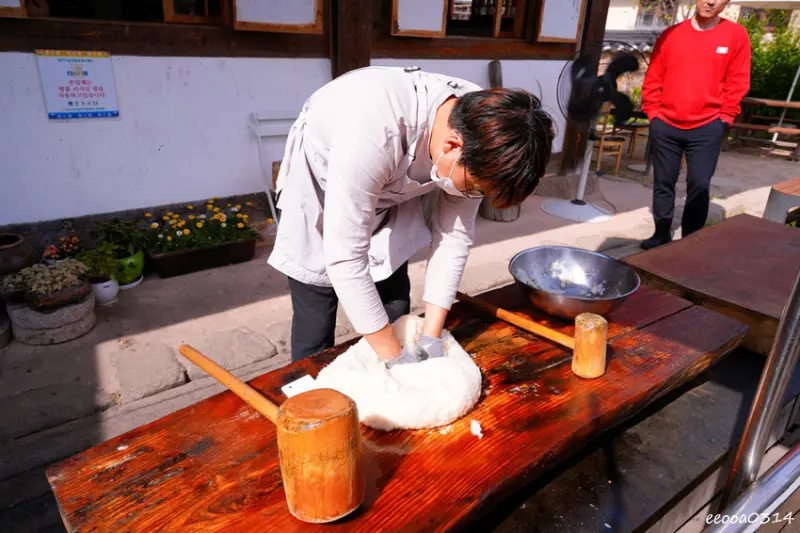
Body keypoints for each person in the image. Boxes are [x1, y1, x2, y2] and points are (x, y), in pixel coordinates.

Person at [267, 66, 555, 367]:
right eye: (476, 190)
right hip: (323, 190)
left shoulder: (483, 134)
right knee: (316, 318)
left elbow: (453, 237)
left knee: (395, 303)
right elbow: (345, 259)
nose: (474, 196)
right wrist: (396, 359)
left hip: (393, 190)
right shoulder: (372, 129)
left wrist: (432, 337)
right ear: (452, 146)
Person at [640, 0, 751, 249]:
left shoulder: (736, 35)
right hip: (666, 123)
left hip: (708, 126)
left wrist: (725, 117)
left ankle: (691, 241)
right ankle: (661, 233)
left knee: (699, 183)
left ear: (728, 2)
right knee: (663, 181)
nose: (710, 1)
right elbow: (654, 76)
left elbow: (738, 80)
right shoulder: (672, 34)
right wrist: (653, 113)